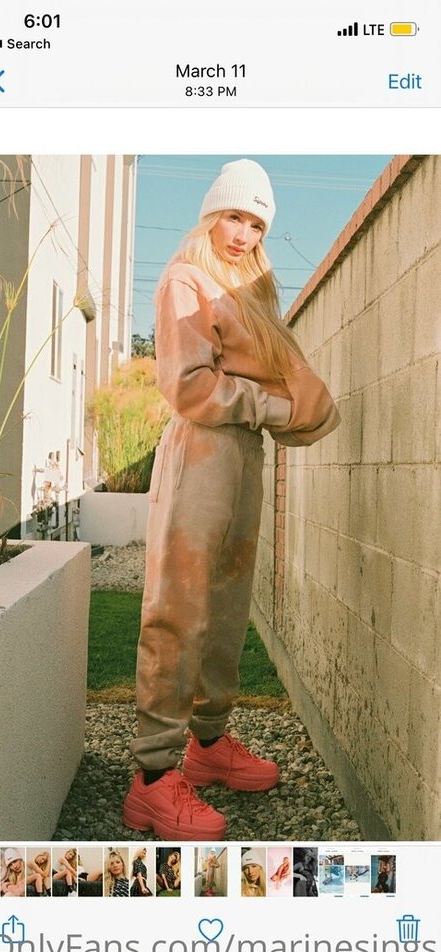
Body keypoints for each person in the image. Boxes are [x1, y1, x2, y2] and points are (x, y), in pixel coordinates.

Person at [123, 159, 340, 840]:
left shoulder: (250, 290)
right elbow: (188, 385)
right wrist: (270, 405)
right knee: (178, 607)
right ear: (213, 214)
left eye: (258, 224)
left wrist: (275, 410)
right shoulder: (186, 279)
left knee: (225, 608)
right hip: (202, 450)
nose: (245, 233)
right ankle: (152, 778)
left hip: (244, 451)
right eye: (236, 217)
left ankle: (209, 745)